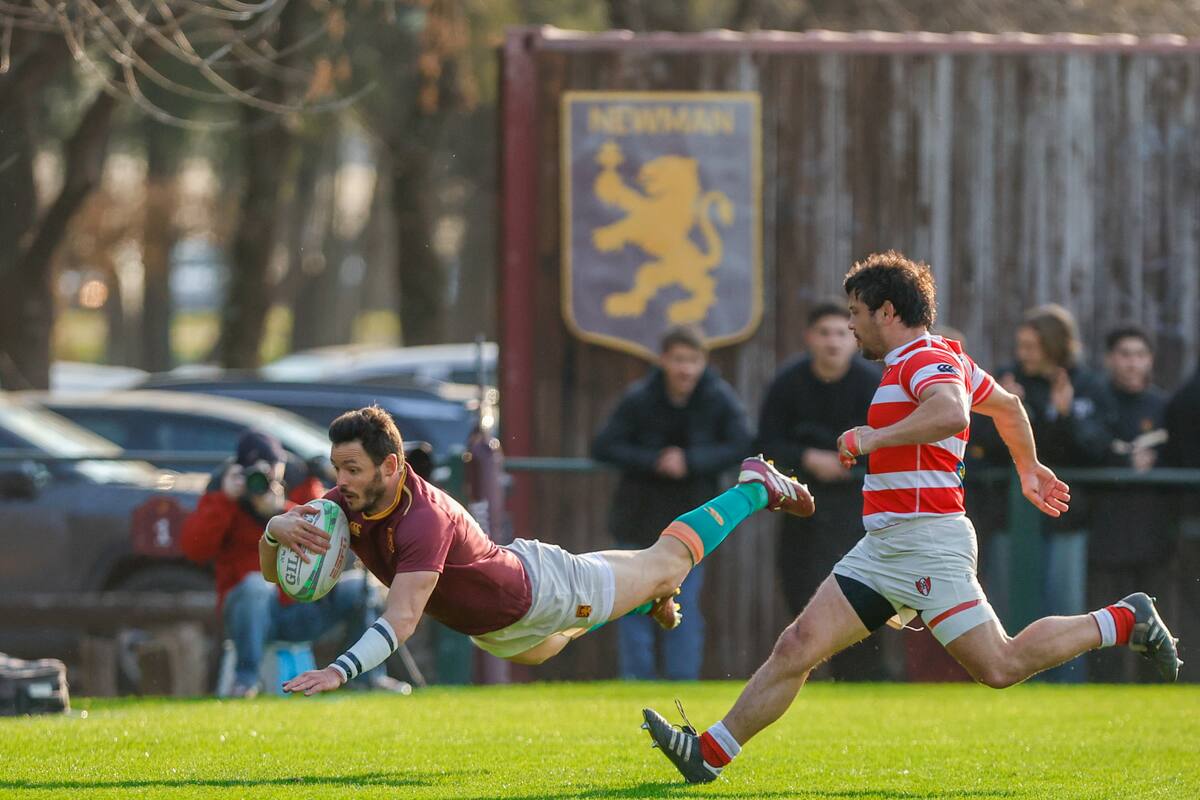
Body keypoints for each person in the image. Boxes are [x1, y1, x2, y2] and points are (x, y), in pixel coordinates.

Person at [642, 251, 1182, 784]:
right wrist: (1030, 467)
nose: (851, 327)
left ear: (886, 311)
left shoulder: (926, 358)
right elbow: (1010, 409)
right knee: (797, 645)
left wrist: (873, 437)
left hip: (927, 542)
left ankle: (1123, 620)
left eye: (855, 313)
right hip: (884, 544)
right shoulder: (936, 358)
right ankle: (708, 753)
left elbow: (951, 411)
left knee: (1000, 665)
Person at [260, 406, 813, 695]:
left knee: (666, 560)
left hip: (541, 593)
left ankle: (755, 487)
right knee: (542, 651)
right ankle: (644, 598)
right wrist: (273, 533)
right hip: (499, 630)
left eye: (351, 469)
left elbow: (402, 619)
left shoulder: (423, 518)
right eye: (338, 468)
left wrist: (339, 669)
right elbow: (279, 577)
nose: (341, 480)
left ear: (390, 467)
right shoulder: (343, 503)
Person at [590, 325, 752, 680]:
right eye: (679, 359)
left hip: (693, 526)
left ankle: (683, 684)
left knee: (685, 607)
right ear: (664, 360)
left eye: (693, 360)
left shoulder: (717, 398)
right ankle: (636, 683)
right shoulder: (639, 399)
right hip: (639, 520)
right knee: (633, 605)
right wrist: (654, 461)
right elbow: (603, 445)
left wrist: (690, 461)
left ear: (703, 362)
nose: (685, 369)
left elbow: (742, 444)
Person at [180, 430, 388, 697]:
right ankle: (246, 682)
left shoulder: (300, 482)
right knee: (256, 585)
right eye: (255, 472)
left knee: (362, 587)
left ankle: (366, 678)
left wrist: (281, 510)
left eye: (271, 468)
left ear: (281, 464)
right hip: (251, 614)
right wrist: (224, 500)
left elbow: (328, 532)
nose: (264, 479)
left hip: (304, 607)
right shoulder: (224, 495)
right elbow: (194, 550)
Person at [756, 302, 885, 679]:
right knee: (800, 586)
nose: (833, 342)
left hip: (856, 510)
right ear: (809, 338)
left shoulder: (870, 385)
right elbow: (766, 441)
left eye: (842, 333)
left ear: (854, 338)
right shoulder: (788, 384)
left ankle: (860, 678)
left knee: (859, 594)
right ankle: (803, 672)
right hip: (800, 508)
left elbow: (889, 444)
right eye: (824, 333)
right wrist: (808, 457)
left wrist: (848, 463)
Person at [991, 304, 1117, 681]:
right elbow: (987, 445)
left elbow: (1096, 450)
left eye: (1032, 346)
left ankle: (1067, 685)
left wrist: (1065, 417)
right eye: (1021, 346)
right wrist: (1007, 411)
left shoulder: (1088, 386)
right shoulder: (1008, 381)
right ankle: (1011, 684)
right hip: (1014, 517)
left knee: (1065, 604)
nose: (1024, 354)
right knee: (1007, 608)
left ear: (1054, 345)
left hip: (1066, 516)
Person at [1090, 326, 1172, 681]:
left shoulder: (1164, 406)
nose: (1132, 363)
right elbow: (1088, 447)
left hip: (1154, 534)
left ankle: (1157, 681)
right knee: (1105, 611)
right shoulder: (1096, 401)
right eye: (1125, 354)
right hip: (1104, 533)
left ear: (1150, 360)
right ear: (1110, 359)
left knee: (1155, 616)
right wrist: (1125, 461)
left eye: (1140, 355)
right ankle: (1102, 683)